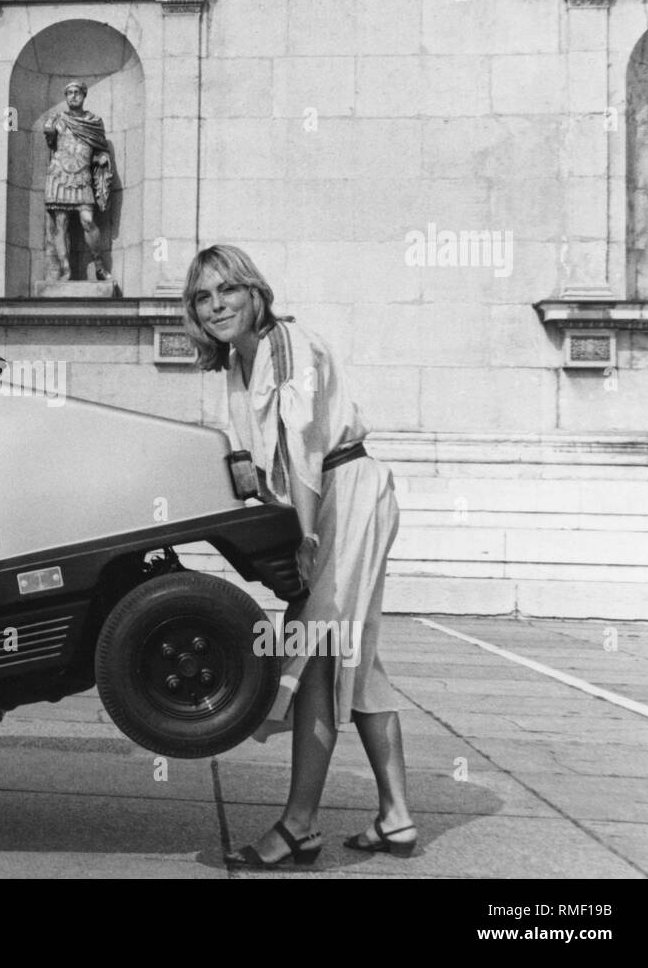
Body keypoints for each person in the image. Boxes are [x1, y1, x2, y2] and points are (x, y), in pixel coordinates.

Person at [181, 244, 417, 868]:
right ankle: (395, 818)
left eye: (227, 290)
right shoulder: (238, 360)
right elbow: (264, 461)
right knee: (355, 659)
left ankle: (299, 827)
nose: (217, 305)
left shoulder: (287, 344)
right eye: (204, 297)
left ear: (255, 292)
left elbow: (302, 444)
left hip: (345, 493)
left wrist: (308, 537)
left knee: (315, 655)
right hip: (325, 501)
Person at [43, 80, 113, 281]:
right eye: (69, 93)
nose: (73, 96)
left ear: (84, 95)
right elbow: (51, 142)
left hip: (82, 175)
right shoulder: (57, 119)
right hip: (59, 175)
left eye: (77, 92)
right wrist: (49, 129)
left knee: (88, 221)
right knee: (61, 223)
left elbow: (100, 148)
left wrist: (101, 158)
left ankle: (99, 265)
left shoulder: (94, 122)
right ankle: (66, 270)